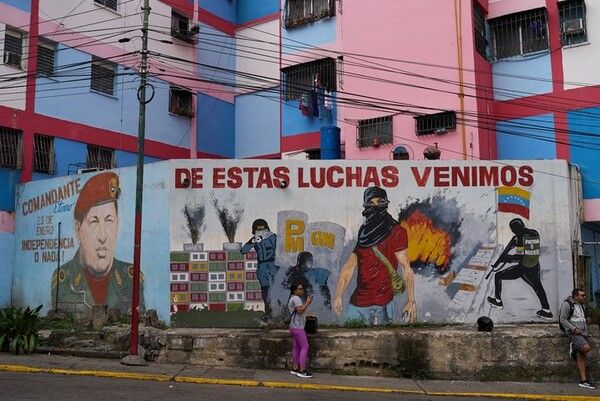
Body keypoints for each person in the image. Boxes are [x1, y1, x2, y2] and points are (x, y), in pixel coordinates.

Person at [51, 172, 144, 316]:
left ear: (117, 225)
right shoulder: (64, 279)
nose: (103, 236)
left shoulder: (130, 277)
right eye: (94, 222)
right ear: (78, 229)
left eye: (109, 221)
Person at [333, 186, 416, 325]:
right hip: (358, 303)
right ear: (366, 205)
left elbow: (406, 267)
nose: (376, 206)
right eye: (371, 203)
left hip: (384, 304)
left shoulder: (397, 231)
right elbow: (349, 267)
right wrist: (338, 295)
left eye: (380, 202)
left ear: (385, 203)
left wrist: (411, 301)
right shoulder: (364, 233)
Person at [487, 218, 552, 319]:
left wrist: (508, 258)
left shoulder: (520, 239)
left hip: (523, 269)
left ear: (515, 228)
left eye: (513, 229)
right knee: (538, 288)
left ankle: (498, 301)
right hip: (534, 266)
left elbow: (519, 257)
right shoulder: (534, 233)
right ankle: (546, 310)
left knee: (498, 275)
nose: (513, 231)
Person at [241, 219, 278, 322]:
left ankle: (278, 313)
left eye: (263, 230)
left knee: (275, 291)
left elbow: (281, 250)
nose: (261, 232)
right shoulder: (256, 239)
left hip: (273, 266)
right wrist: (253, 241)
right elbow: (243, 250)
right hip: (263, 267)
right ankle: (268, 313)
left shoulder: (274, 237)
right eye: (259, 230)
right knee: (265, 292)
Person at [560, 288, 595, 389]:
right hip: (575, 333)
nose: (584, 297)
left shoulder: (581, 305)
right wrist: (574, 329)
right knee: (585, 348)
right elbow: (563, 319)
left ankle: (583, 380)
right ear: (576, 296)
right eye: (582, 295)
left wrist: (586, 320)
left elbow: (579, 317)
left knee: (581, 354)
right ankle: (574, 347)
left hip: (583, 333)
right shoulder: (567, 304)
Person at [288, 282, 313, 379]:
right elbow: (299, 310)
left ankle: (295, 368)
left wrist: (308, 314)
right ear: (294, 290)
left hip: (293, 326)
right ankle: (302, 370)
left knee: (296, 346)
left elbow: (298, 312)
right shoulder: (296, 298)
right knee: (305, 346)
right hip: (298, 327)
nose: (302, 290)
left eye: (302, 289)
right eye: (300, 289)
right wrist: (308, 302)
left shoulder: (292, 298)